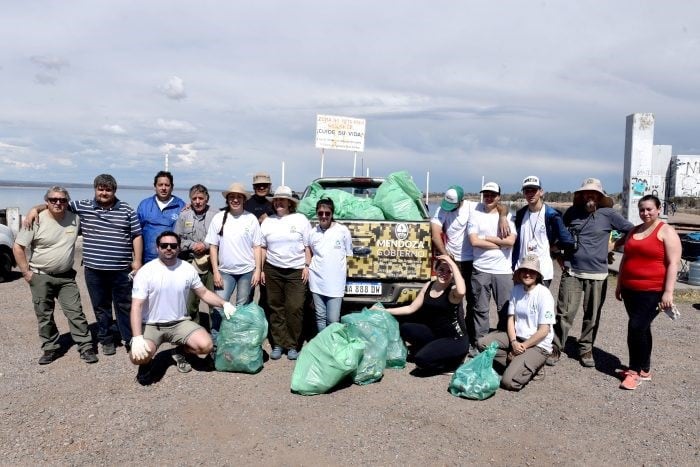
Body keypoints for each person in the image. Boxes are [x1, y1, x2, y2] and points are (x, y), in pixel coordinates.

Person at [23, 174, 144, 355]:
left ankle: (128, 338)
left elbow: (137, 235)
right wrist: (35, 209)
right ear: (95, 189)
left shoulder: (127, 210)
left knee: (124, 305)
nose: (104, 193)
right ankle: (106, 339)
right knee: (100, 306)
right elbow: (58, 204)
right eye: (100, 189)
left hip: (121, 269)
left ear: (114, 191)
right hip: (94, 269)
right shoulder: (83, 206)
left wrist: (137, 261)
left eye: (108, 189)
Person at [129, 231, 235, 385]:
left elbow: (204, 293)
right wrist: (137, 337)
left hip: (180, 323)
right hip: (152, 324)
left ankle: (180, 351)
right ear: (157, 248)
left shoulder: (187, 268)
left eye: (173, 245)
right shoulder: (146, 271)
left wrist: (224, 303)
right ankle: (146, 365)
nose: (168, 248)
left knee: (206, 345)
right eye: (164, 245)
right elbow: (136, 306)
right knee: (138, 356)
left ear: (179, 248)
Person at [549, 178, 634, 367]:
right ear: (581, 195)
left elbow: (631, 230)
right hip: (572, 271)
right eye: (587, 193)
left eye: (594, 193)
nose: (590, 196)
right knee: (564, 312)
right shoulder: (571, 213)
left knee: (592, 314)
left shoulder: (609, 214)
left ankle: (586, 348)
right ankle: (556, 347)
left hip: (598, 274)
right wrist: (558, 257)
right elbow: (557, 235)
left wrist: (614, 245)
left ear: (600, 196)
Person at [12, 186, 98, 364]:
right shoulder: (35, 220)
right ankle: (50, 348)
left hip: (66, 277)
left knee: (75, 312)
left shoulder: (75, 219)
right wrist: (26, 273)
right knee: (44, 314)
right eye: (53, 200)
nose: (58, 203)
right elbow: (18, 247)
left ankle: (85, 346)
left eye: (62, 200)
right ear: (47, 202)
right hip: (40, 275)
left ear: (68, 202)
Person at [615, 195, 681, 390]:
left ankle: (634, 372)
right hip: (629, 289)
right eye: (642, 209)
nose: (645, 213)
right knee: (642, 328)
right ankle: (645, 369)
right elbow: (625, 259)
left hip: (652, 291)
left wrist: (668, 292)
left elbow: (673, 264)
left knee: (635, 328)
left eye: (650, 209)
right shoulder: (633, 231)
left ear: (658, 209)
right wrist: (619, 284)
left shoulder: (666, 232)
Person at [431, 184, 511, 341]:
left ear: (462, 200)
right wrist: (446, 257)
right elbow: (435, 234)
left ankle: (473, 335)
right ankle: (457, 334)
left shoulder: (473, 206)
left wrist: (502, 217)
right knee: (454, 299)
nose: (449, 208)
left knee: (474, 301)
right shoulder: (442, 209)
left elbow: (500, 206)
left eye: (453, 205)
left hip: (472, 261)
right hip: (453, 260)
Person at [477, 255, 555, 391]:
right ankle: (516, 363)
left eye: (532, 271)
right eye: (524, 270)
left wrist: (523, 347)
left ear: (537, 275)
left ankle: (533, 366)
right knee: (482, 343)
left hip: (538, 344)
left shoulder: (544, 294)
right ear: (519, 273)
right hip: (517, 338)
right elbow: (510, 319)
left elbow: (544, 331)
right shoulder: (516, 290)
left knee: (508, 382)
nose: (528, 274)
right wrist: (513, 342)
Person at [381, 255, 468, 374]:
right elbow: (411, 308)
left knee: (421, 361)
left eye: (449, 271)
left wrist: (452, 263)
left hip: (455, 339)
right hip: (435, 335)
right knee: (406, 328)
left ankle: (453, 363)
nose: (444, 274)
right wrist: (384, 310)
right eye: (441, 269)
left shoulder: (453, 291)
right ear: (436, 270)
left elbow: (462, 290)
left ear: (453, 273)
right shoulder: (429, 285)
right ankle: (435, 351)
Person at [205, 182, 262, 342]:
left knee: (242, 308)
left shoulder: (250, 219)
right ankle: (216, 344)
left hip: (246, 271)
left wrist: (257, 270)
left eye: (238, 197)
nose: (235, 200)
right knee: (218, 307)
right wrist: (215, 271)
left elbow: (257, 246)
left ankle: (238, 341)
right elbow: (213, 247)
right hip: (225, 271)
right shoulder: (219, 218)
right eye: (232, 197)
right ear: (227, 199)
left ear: (244, 200)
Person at [260, 185, 311, 360]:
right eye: (277, 200)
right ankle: (278, 344)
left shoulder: (301, 220)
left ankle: (292, 345)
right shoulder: (268, 222)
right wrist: (260, 269)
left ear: (290, 203)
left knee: (295, 307)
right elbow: (263, 247)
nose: (279, 203)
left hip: (296, 270)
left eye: (283, 200)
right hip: (273, 269)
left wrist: (307, 265)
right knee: (275, 307)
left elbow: (307, 246)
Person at [467, 182, 517, 350]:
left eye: (492, 195)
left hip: (503, 271)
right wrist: (499, 244)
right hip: (481, 269)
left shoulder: (507, 216)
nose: (488, 198)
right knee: (480, 309)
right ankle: (480, 344)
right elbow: (474, 241)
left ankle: (503, 342)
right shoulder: (475, 214)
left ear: (498, 197)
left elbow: (510, 241)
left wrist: (487, 238)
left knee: (505, 309)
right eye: (486, 194)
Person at [512, 175, 574, 287]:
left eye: (534, 190)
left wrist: (556, 247)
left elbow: (568, 240)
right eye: (527, 191)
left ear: (541, 192)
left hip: (542, 271)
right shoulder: (521, 214)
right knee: (519, 303)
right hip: (521, 269)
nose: (530, 194)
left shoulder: (551, 215)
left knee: (539, 304)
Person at [175, 184, 217, 329]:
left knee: (215, 303)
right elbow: (177, 240)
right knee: (190, 304)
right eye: (194, 198)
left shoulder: (216, 215)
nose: (198, 201)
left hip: (212, 264)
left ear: (207, 199)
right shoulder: (184, 215)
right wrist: (193, 245)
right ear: (190, 200)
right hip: (190, 262)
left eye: (201, 198)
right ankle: (192, 337)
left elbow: (221, 237)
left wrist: (205, 245)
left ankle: (216, 340)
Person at [308, 198, 353, 331]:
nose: (324, 216)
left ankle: (333, 346)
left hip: (335, 283)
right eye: (320, 213)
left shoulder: (342, 231)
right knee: (320, 316)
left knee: (333, 319)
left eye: (327, 213)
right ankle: (323, 346)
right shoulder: (312, 233)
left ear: (332, 214)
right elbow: (309, 252)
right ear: (317, 213)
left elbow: (349, 255)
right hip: (316, 281)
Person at [137, 171, 186, 263]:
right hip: (147, 260)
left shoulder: (181, 206)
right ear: (155, 186)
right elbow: (136, 234)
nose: (163, 188)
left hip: (172, 260)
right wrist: (137, 260)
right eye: (160, 185)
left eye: (167, 185)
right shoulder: (144, 205)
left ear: (172, 187)